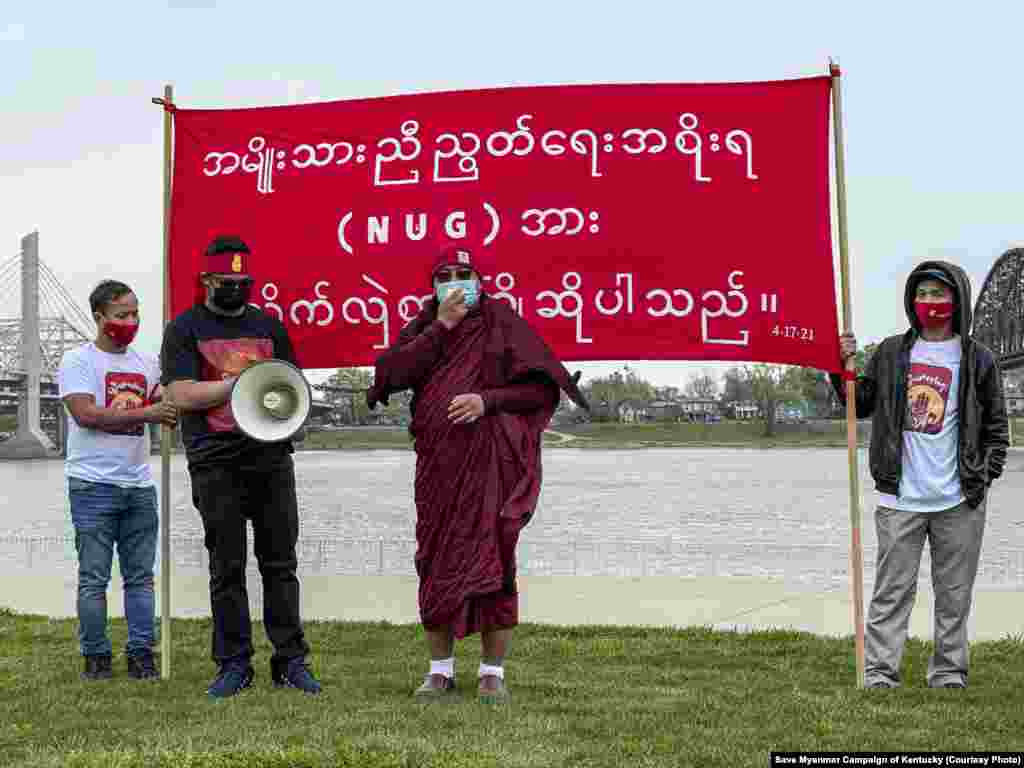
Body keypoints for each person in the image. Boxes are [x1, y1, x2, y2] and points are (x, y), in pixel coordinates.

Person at [367, 243, 589, 703]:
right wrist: (442, 327)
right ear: (434, 287)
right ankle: (439, 671)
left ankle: (492, 672)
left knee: (495, 564)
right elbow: (390, 374)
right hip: (437, 471)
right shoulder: (425, 325)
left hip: (490, 470)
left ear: (480, 282)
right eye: (445, 274)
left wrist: (487, 400)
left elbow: (540, 388)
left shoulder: (502, 322)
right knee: (434, 561)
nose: (456, 282)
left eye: (463, 273)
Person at [833, 260, 1008, 689]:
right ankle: (879, 673)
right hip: (900, 499)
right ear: (912, 300)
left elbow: (997, 430)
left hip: (958, 500)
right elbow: (862, 403)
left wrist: (982, 477)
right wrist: (842, 367)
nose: (930, 301)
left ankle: (948, 673)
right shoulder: (892, 352)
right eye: (923, 293)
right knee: (891, 593)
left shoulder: (978, 358)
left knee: (954, 596)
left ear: (957, 299)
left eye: (939, 293)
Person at [160, 235, 320, 698]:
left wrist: (269, 399)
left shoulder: (269, 326)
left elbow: (290, 385)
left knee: (280, 562)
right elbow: (181, 394)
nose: (236, 287)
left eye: (243, 281)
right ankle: (233, 664)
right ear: (207, 280)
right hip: (215, 458)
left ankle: (290, 660)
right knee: (226, 565)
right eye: (226, 281)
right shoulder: (184, 329)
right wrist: (241, 385)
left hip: (269, 456)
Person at [57, 279, 177, 681]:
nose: (131, 321)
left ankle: (141, 654)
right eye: (122, 314)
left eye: (135, 313)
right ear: (100, 317)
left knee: (141, 577)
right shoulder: (78, 361)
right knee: (94, 577)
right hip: (91, 484)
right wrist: (147, 414)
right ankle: (96, 657)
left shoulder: (147, 364)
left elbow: (169, 399)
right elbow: (86, 415)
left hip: (138, 485)